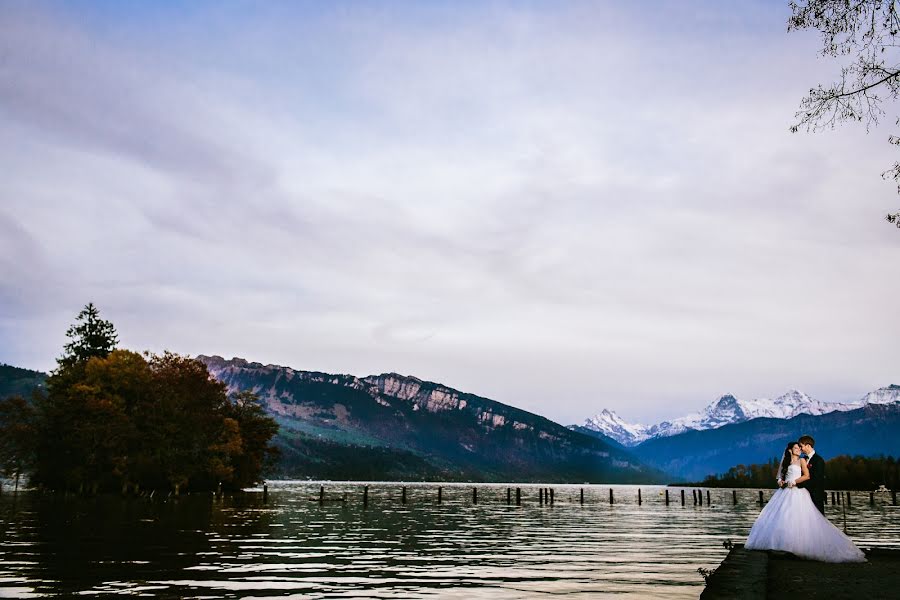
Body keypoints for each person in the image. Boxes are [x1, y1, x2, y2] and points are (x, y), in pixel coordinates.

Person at [744, 440, 865, 563]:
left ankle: (799, 546)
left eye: (799, 448)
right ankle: (782, 545)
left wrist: (794, 481)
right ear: (790, 450)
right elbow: (780, 476)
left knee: (799, 519)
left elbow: (807, 476)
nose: (799, 450)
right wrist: (780, 481)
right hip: (784, 492)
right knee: (783, 518)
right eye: (796, 448)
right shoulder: (785, 462)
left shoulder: (802, 461)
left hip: (798, 491)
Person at [796, 434, 826, 515]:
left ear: (808, 446)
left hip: (815, 496)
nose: (800, 449)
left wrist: (798, 484)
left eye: (801, 446)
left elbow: (816, 479)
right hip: (804, 497)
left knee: (818, 520)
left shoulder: (818, 460)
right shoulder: (803, 459)